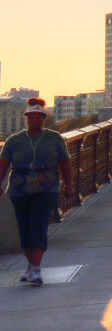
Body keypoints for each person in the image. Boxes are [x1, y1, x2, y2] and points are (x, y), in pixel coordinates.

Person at [0, 99, 72, 285]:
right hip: (19, 189)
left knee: (38, 225)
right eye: (30, 117)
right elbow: (3, 164)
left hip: (47, 187)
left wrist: (69, 185)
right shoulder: (14, 140)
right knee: (24, 228)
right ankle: (31, 266)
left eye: (38, 117)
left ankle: (36, 269)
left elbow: (65, 162)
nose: (33, 120)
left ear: (43, 118)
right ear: (26, 119)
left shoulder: (54, 138)